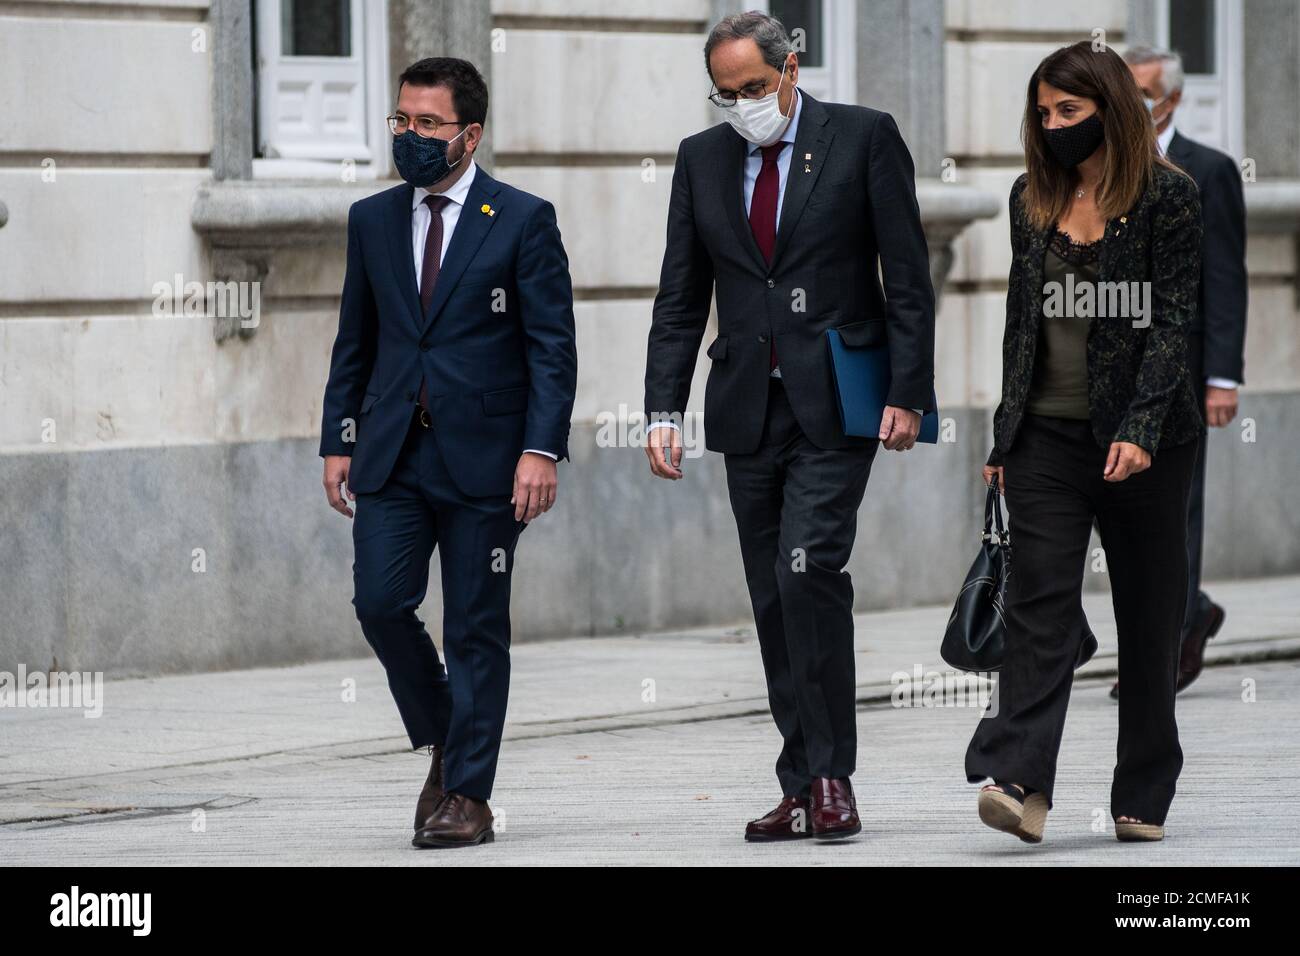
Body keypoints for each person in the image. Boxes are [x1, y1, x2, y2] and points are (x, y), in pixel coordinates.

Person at [644, 12, 935, 842]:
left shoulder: (863, 138)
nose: (742, 106)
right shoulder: (702, 159)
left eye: (754, 88)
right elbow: (679, 294)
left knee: (810, 570)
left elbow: (907, 277)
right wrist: (662, 408)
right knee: (772, 592)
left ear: (791, 68)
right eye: (725, 94)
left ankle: (833, 775)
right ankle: (800, 779)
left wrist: (909, 390)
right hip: (745, 405)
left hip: (837, 401)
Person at [319, 57, 577, 848]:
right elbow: (354, 340)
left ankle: (467, 792)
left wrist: (541, 450)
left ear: (469, 134)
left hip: (489, 462)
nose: (411, 136)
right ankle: (444, 729)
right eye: (402, 121)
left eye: (428, 124)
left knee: (474, 626)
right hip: (392, 453)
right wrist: (339, 439)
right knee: (381, 603)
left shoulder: (523, 219)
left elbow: (551, 349)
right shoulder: (373, 220)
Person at [966, 41, 1202, 844]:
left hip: (1149, 444)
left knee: (1148, 614)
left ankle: (1143, 791)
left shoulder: (1170, 199)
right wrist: (1005, 433)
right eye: (1044, 113)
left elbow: (1174, 323)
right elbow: (1019, 326)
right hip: (1046, 439)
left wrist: (1139, 428)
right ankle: (1020, 779)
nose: (1055, 125)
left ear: (1108, 105)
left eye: (1070, 110)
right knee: (1038, 603)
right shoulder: (1028, 197)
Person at [1108, 46, 1248, 699]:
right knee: (1118, 507)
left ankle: (1163, 649)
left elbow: (1224, 276)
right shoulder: (1097, 166)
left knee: (1174, 505)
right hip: (1111, 368)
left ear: (1173, 99)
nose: (1130, 102)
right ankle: (1188, 612)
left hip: (1183, 367)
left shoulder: (1210, 170)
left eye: (1142, 91)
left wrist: (1222, 375)